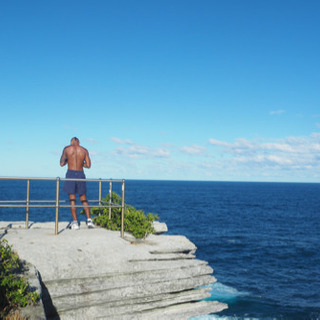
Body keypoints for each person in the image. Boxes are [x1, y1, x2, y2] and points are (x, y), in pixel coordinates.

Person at [60, 137, 94, 230]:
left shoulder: (67, 149)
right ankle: (89, 220)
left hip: (71, 173)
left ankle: (75, 222)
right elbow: (88, 165)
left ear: (71, 142)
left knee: (72, 199)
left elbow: (61, 163)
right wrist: (80, 163)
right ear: (79, 142)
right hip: (80, 174)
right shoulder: (84, 150)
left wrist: (69, 161)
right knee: (83, 198)